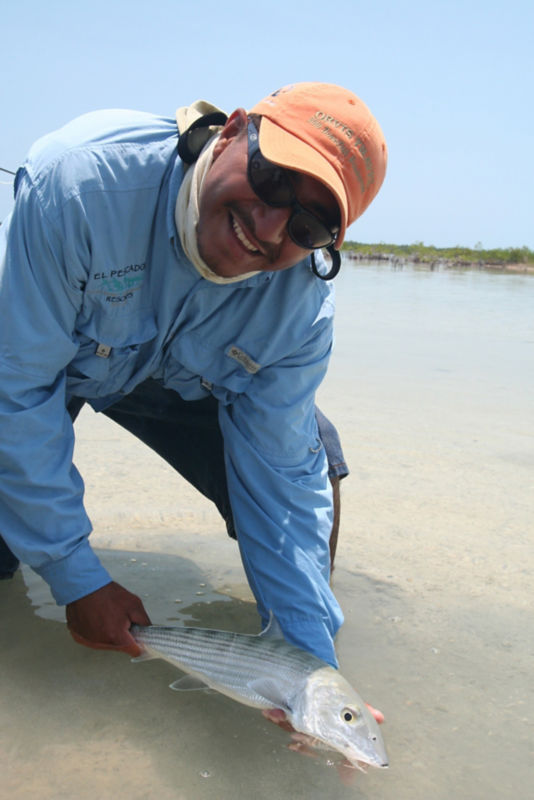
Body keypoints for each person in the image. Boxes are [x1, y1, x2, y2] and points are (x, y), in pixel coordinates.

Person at [0, 82, 387, 670]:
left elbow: (281, 474)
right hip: (58, 357)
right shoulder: (79, 188)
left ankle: (292, 639)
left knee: (316, 456)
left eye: (308, 226)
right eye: (274, 179)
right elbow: (18, 389)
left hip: (182, 381)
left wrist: (307, 661)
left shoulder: (300, 315)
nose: (269, 224)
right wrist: (75, 576)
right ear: (231, 132)